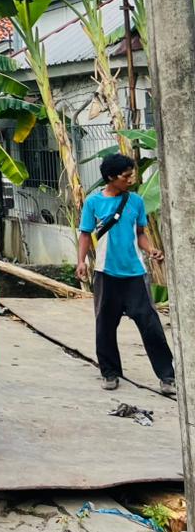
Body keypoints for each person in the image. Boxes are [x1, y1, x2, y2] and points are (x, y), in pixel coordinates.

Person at [76, 152, 175, 395]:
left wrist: (151, 249)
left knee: (151, 325)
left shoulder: (136, 202)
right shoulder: (93, 203)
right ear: (111, 177)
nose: (131, 180)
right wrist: (81, 262)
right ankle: (110, 372)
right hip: (105, 273)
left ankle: (167, 377)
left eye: (132, 175)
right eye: (126, 176)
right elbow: (86, 234)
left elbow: (140, 233)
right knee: (105, 326)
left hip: (135, 274)